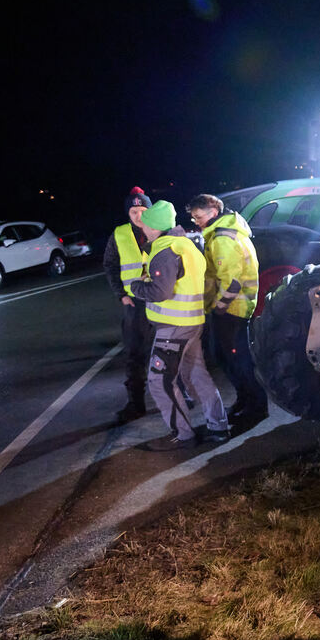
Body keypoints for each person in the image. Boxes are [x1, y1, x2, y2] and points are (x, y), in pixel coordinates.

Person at [128, 200, 230, 450]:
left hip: (173, 327)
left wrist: (135, 286)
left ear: (156, 227)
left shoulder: (164, 250)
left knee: (159, 381)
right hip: (192, 322)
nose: (143, 227)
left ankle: (183, 435)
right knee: (196, 375)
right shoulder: (186, 245)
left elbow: (160, 291)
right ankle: (218, 427)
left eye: (147, 223)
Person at [186, 193, 269, 424]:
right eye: (193, 218)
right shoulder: (221, 233)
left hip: (232, 309)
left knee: (236, 360)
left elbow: (231, 282)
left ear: (213, 212)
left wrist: (219, 308)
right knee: (226, 358)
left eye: (198, 216)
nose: (196, 221)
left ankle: (256, 407)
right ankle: (246, 400)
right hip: (231, 308)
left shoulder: (222, 238)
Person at [102, 187, 154, 424]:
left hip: (160, 301)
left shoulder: (160, 231)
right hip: (134, 304)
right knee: (135, 354)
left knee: (169, 349)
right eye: (133, 211)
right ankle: (136, 403)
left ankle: (180, 393)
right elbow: (110, 265)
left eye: (142, 210)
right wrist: (120, 294)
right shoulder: (119, 234)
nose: (138, 215)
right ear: (128, 213)